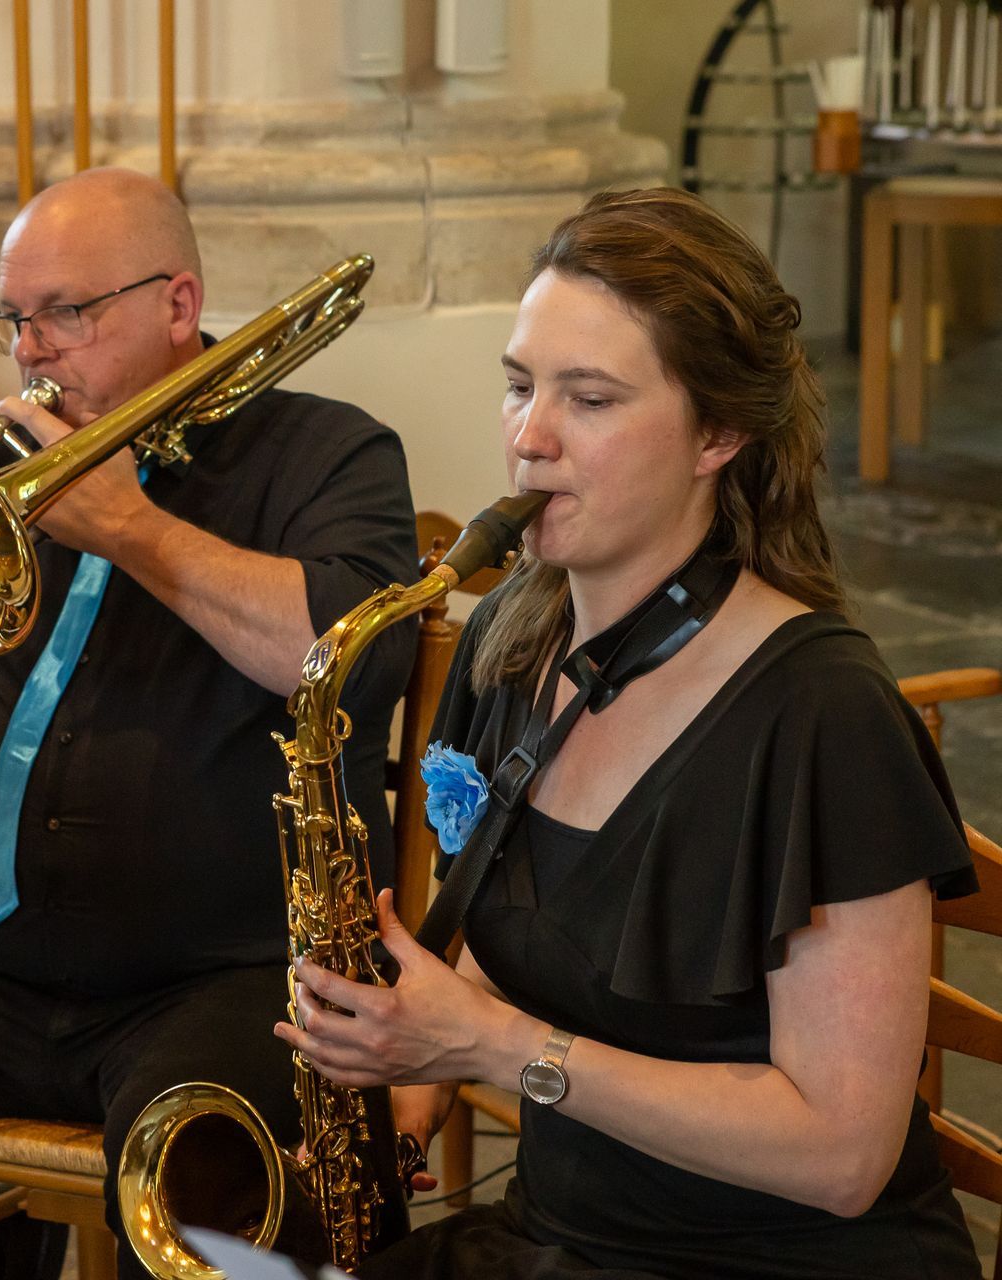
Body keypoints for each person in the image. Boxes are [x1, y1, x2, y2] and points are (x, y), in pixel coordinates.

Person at [275, 188, 981, 1278]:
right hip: (562, 1240)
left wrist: (499, 1047)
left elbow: (843, 1154)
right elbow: (508, 961)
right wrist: (400, 1098)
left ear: (719, 434)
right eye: (520, 386)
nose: (530, 438)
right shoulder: (509, 642)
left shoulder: (824, 712)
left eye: (591, 398)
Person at [0, 167, 419, 1279]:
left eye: (65, 312)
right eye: (14, 319)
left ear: (177, 303)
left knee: (191, 1189)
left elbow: (348, 662)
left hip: (230, 980)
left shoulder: (327, 452)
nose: (31, 350)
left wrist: (129, 526)